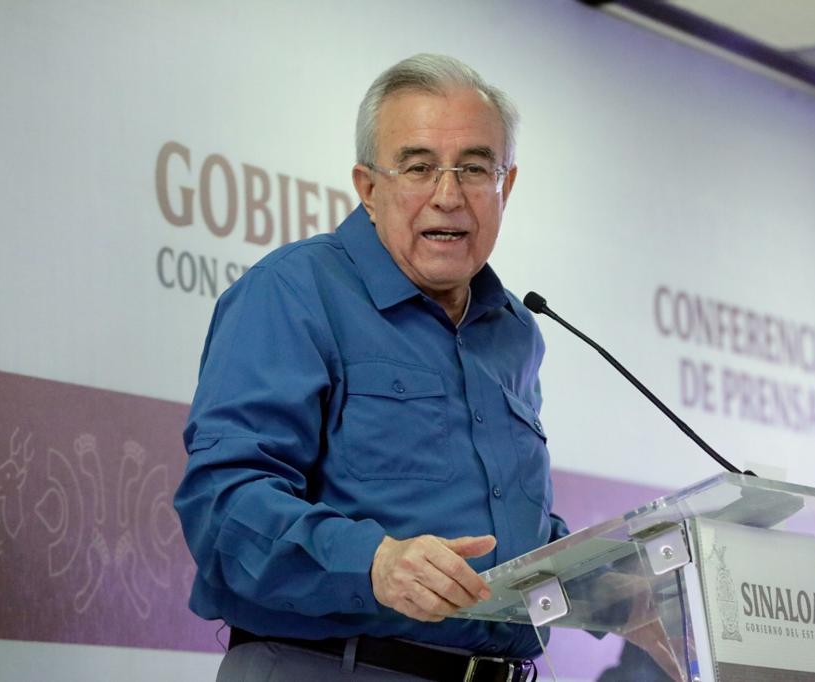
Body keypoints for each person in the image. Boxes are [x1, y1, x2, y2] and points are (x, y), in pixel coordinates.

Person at [174, 53, 568, 681]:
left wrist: (611, 577)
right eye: (418, 168)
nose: (448, 196)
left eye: (474, 169)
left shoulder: (515, 331)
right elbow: (223, 509)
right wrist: (375, 563)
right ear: (367, 188)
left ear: (507, 186)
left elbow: (509, 525)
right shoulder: (293, 292)